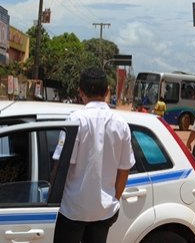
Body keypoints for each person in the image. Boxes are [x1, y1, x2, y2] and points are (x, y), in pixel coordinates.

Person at [52, 67, 135, 243]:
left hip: (72, 210)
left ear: (81, 92)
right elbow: (124, 170)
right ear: (107, 92)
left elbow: (60, 166)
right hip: (104, 212)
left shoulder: (75, 120)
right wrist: (113, 200)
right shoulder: (121, 125)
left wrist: (51, 196)